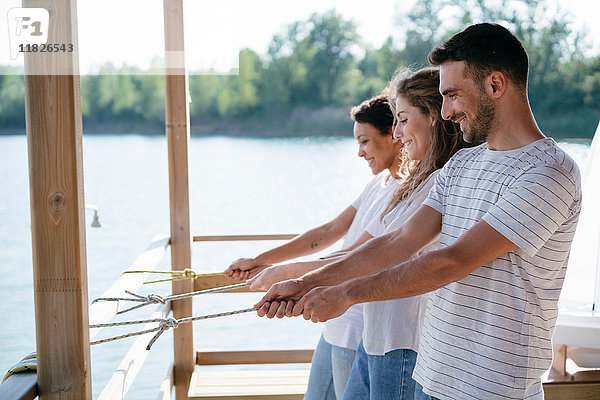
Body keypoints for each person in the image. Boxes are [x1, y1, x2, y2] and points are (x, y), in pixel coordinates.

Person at [256, 23, 582, 400]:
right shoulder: (462, 165)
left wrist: (345, 294)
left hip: (493, 390)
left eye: (453, 95)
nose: (445, 112)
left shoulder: (549, 172)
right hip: (433, 377)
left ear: (495, 85)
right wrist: (310, 282)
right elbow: (399, 240)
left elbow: (453, 260)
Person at [251, 67, 470, 400]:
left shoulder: (439, 183)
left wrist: (304, 280)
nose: (397, 134)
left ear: (434, 118)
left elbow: (395, 248)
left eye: (403, 120)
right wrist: (293, 277)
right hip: (377, 336)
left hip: (403, 343)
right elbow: (366, 246)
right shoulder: (410, 184)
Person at [226, 94, 403, 400]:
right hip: (333, 324)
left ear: (394, 134)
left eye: (365, 141)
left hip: (357, 326)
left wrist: (285, 274)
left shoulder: (403, 193)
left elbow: (353, 256)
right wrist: (261, 260)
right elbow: (329, 231)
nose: (359, 153)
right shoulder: (378, 183)